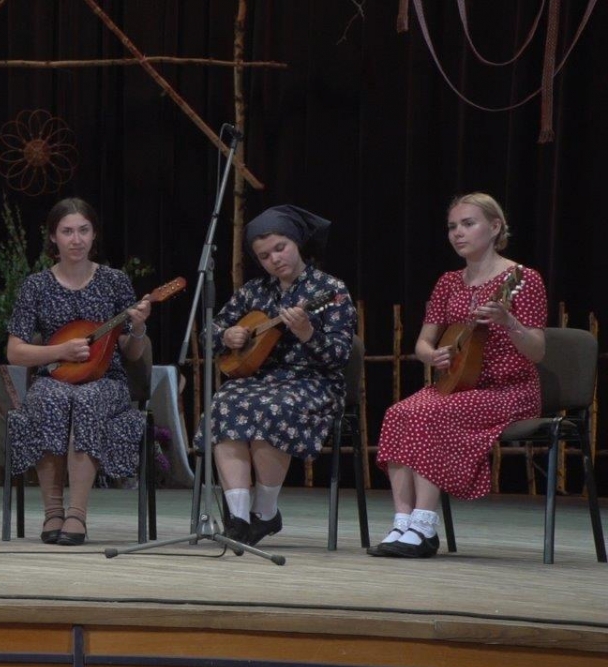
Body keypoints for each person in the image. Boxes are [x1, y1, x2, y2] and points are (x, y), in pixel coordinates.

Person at [371, 193, 545, 558]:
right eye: (452, 226)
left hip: (508, 390)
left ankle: (423, 526)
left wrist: (508, 321)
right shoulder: (448, 282)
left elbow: (537, 351)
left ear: (495, 227)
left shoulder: (523, 279)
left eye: (468, 224)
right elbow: (422, 343)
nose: (457, 233)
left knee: (429, 414)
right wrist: (432, 355)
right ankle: (402, 522)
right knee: (398, 413)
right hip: (457, 385)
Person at [208, 205, 356, 549]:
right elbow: (209, 331)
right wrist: (226, 335)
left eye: (280, 248)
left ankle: (265, 512)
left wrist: (307, 334)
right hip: (259, 379)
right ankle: (238, 518)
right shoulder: (254, 292)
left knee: (272, 407)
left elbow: (339, 356)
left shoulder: (330, 289)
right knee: (225, 401)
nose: (274, 259)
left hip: (313, 383)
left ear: (297, 243)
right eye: (264, 256)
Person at [5, 197, 150, 546]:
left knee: (86, 399)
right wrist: (60, 352)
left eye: (83, 230)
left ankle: (77, 514)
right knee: (51, 398)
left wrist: (139, 328)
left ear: (94, 234)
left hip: (107, 380)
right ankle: (53, 511)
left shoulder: (114, 282)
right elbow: (15, 352)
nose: (76, 239)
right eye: (67, 231)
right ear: (53, 237)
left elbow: (132, 352)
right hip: (53, 377)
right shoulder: (36, 286)